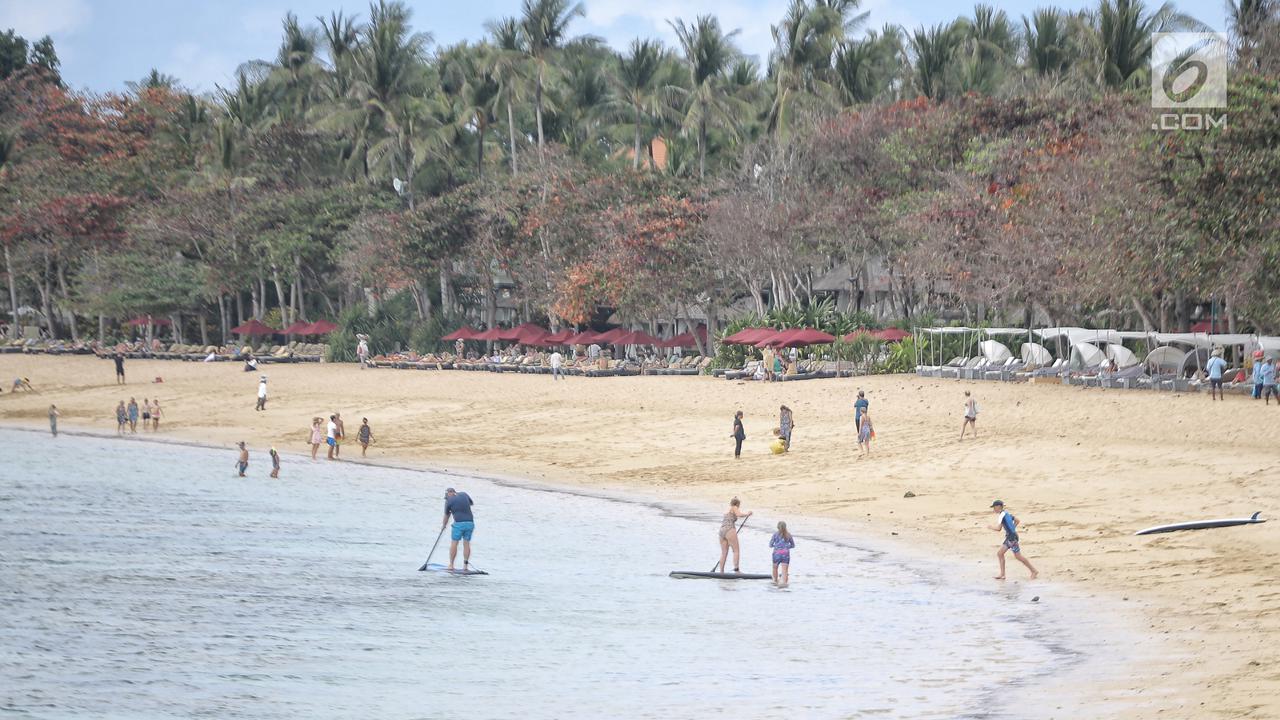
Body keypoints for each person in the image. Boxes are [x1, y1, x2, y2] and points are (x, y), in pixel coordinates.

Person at [990, 500, 1038, 580]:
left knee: (1018, 556)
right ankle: (1002, 574)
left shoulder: (1001, 516)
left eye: (994, 507)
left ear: (998, 507)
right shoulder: (1006, 513)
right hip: (1011, 536)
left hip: (1012, 538)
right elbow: (1017, 520)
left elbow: (998, 529)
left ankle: (1034, 571)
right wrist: (1012, 529)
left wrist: (991, 527)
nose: (993, 509)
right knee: (1000, 553)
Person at [442, 487, 476, 572]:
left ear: (449, 493)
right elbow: (471, 503)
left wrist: (443, 526)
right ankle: (465, 566)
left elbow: (446, 515)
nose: (447, 498)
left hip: (459, 524)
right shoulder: (464, 494)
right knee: (466, 543)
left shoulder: (448, 501)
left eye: (447, 496)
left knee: (454, 543)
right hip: (470, 523)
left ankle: (451, 565)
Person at [717, 497, 752, 574]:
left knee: (724, 553)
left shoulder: (727, 511)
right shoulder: (734, 507)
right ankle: (737, 571)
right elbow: (738, 514)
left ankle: (721, 572)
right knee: (736, 551)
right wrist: (747, 514)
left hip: (721, 530)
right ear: (737, 504)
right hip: (729, 529)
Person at [769, 521, 795, 586]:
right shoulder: (788, 534)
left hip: (776, 553)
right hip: (785, 554)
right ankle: (784, 584)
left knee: (775, 568)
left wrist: (776, 546)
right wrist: (786, 547)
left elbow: (770, 545)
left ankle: (775, 581)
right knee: (785, 571)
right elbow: (793, 545)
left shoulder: (775, 534)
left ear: (778, 527)